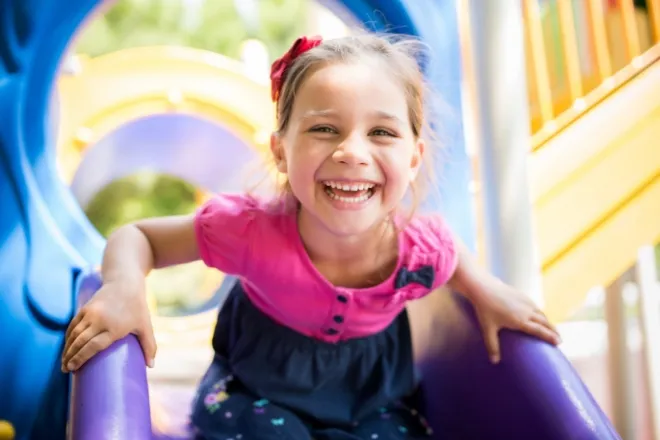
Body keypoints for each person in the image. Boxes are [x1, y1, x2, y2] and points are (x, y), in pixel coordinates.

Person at [61, 34, 560, 439]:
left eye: (382, 133)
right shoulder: (250, 230)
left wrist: (486, 289)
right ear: (281, 151)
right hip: (254, 393)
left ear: (413, 157)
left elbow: (452, 257)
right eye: (324, 129)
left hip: (370, 403)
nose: (352, 152)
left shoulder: (418, 249)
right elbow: (138, 236)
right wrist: (124, 287)